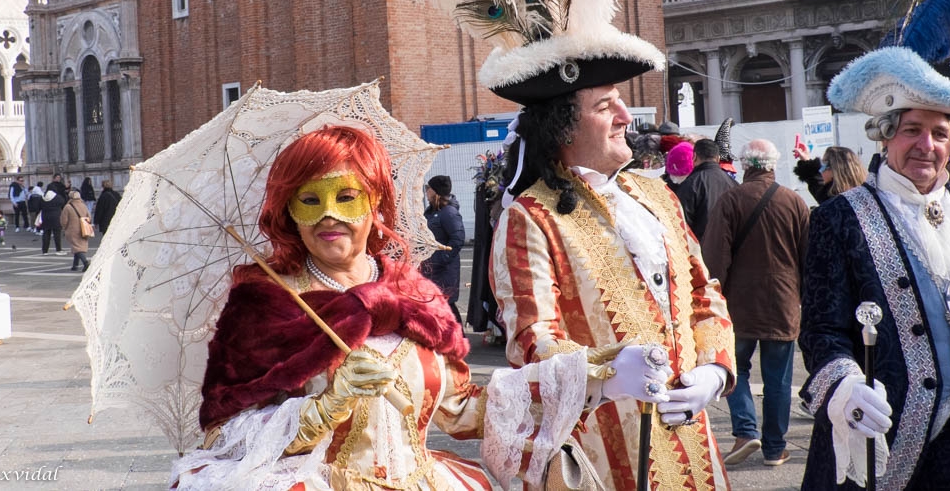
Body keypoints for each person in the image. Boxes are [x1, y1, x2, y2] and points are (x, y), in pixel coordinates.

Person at [341, 0, 736, 490]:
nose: (623, 118)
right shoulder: (530, 218)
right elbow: (531, 342)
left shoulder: (656, 195)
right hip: (602, 456)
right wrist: (608, 370)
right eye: (605, 106)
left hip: (693, 449)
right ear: (562, 124)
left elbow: (705, 292)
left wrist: (714, 372)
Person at [171, 126, 657, 490]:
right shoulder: (265, 305)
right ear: (288, 212)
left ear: (377, 202)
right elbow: (223, 434)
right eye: (309, 200)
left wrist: (575, 375)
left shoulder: (415, 296)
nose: (328, 215)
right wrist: (324, 406)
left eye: (346, 196)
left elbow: (462, 412)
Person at [800, 34, 950, 485]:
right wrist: (844, 387)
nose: (927, 145)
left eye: (940, 134)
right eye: (911, 130)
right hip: (885, 438)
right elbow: (822, 330)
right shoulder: (838, 219)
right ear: (885, 137)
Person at [701, 138, 810, 467]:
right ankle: (775, 449)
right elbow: (809, 258)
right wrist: (804, 299)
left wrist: (712, 297)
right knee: (778, 378)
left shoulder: (730, 200)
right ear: (773, 165)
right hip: (783, 301)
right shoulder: (795, 202)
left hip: (739, 303)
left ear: (746, 165)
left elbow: (714, 258)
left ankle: (746, 432)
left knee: (736, 370)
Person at [421, 174, 466, 325]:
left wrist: (441, 259)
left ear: (435, 192)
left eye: (428, 189)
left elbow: (457, 239)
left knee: (447, 305)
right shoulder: (433, 211)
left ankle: (459, 341)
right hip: (432, 268)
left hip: (444, 269)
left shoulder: (448, 212)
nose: (426, 192)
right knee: (436, 306)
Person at [675, 138, 738, 242]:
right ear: (718, 158)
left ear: (694, 157)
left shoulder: (690, 184)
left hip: (700, 250)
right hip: (730, 249)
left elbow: (681, 223)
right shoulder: (733, 184)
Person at [792, 145, 867, 205]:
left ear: (834, 170)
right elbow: (817, 185)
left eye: (823, 164)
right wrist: (806, 159)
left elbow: (818, 188)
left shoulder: (831, 205)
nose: (821, 171)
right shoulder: (867, 194)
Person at [60, 190, 92, 272]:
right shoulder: (83, 205)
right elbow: (89, 216)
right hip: (83, 229)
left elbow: (64, 220)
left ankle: (85, 262)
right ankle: (75, 265)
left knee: (76, 247)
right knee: (78, 246)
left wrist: (64, 228)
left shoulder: (68, 207)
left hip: (72, 229)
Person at [39, 189, 66, 254]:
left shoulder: (42, 198)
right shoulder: (57, 197)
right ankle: (58, 250)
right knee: (57, 234)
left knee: (46, 234)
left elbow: (39, 206)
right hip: (56, 217)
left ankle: (45, 251)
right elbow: (63, 203)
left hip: (45, 217)